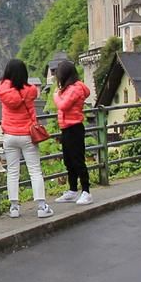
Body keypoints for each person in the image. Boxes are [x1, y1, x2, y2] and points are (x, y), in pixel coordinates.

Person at [0, 59, 52, 218]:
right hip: (27, 135)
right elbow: (32, 90)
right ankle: (41, 206)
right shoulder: (30, 90)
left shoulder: (2, 90)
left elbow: (2, 86)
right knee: (35, 170)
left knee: (12, 171)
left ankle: (14, 208)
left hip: (9, 135)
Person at [52, 60, 93, 205]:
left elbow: (63, 105)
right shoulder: (70, 88)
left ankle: (86, 191)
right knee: (69, 161)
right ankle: (73, 189)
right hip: (66, 128)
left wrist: (56, 95)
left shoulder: (75, 89)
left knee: (78, 161)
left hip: (74, 128)